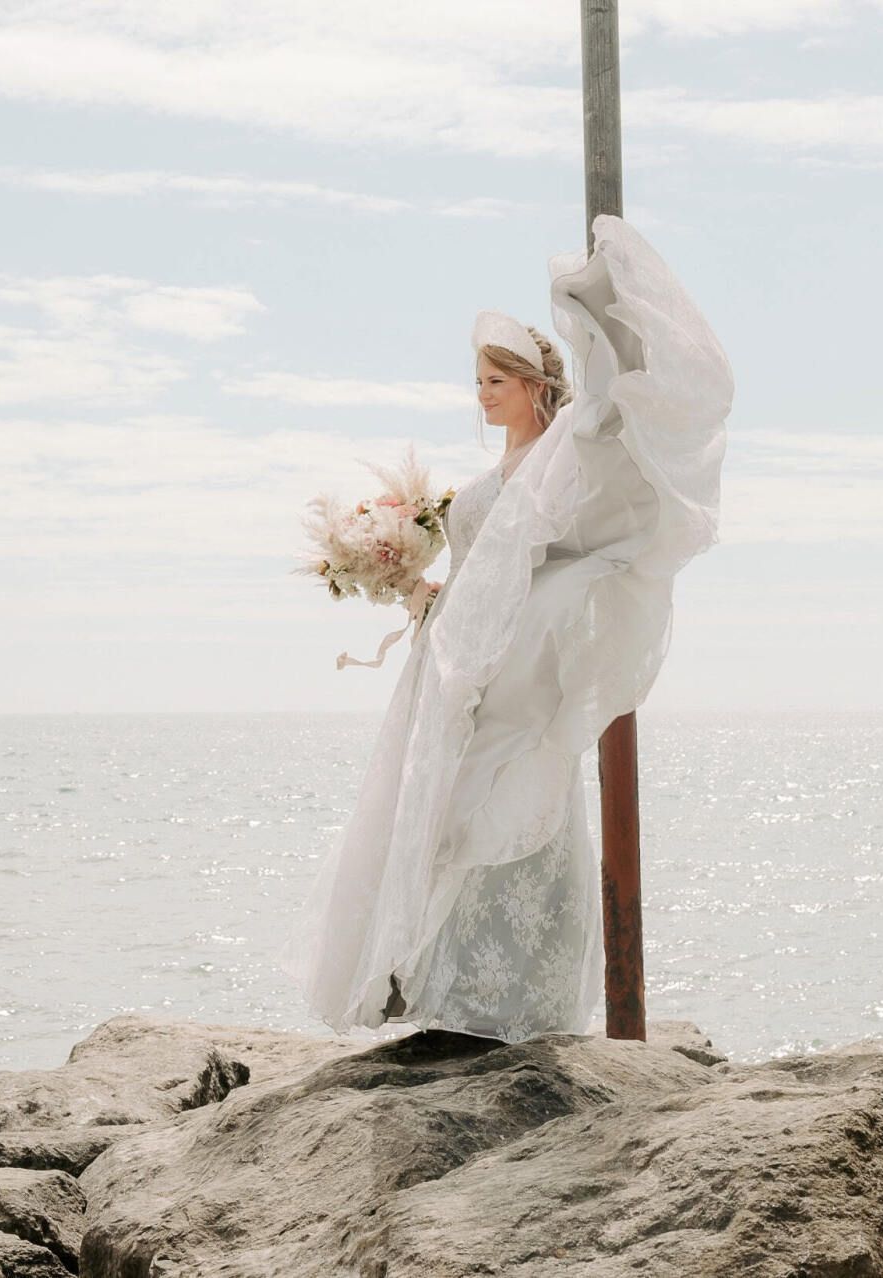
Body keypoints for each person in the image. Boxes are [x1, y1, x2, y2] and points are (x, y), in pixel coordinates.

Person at [280, 213, 734, 1043]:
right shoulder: (490, 477)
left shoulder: (565, 452)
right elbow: (483, 572)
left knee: (514, 800)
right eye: (478, 381)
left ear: (533, 385)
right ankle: (440, 984)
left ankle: (519, 992)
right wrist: (415, 586)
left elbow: (585, 477)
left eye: (496, 380)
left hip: (514, 671)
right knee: (442, 811)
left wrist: (592, 299)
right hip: (459, 662)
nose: (482, 393)